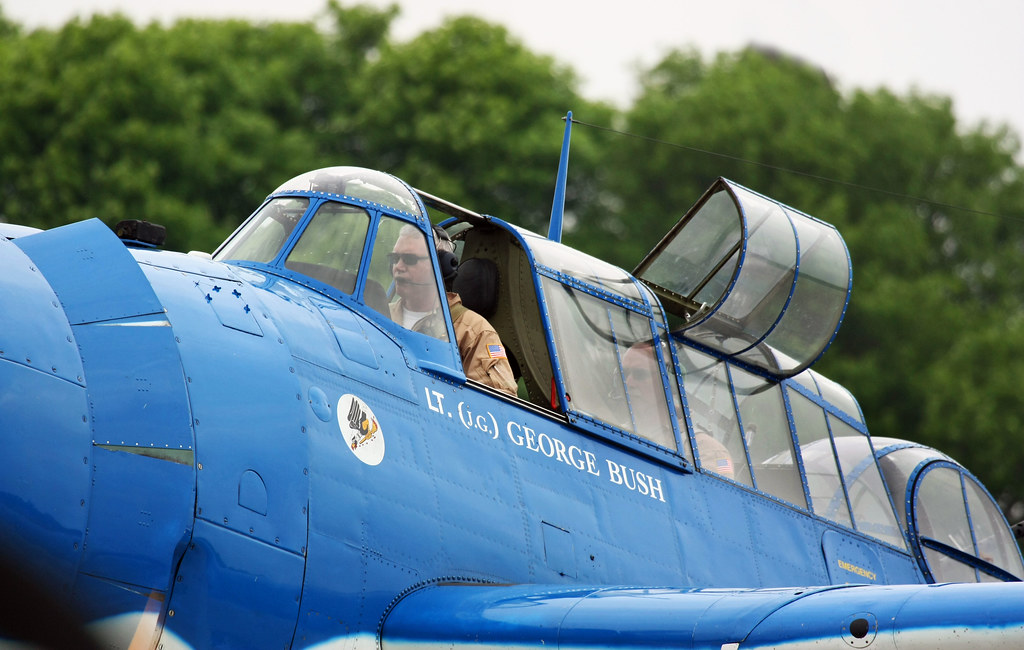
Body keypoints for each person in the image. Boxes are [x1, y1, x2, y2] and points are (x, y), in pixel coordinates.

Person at [389, 225, 518, 396]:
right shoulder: (379, 314)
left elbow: (500, 404)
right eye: (394, 258)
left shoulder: (474, 331)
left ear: (442, 266)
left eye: (409, 260)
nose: (398, 266)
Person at [622, 341, 734, 478]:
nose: (628, 383)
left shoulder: (707, 450)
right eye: (624, 374)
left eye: (640, 375)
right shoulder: (616, 431)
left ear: (668, 382)